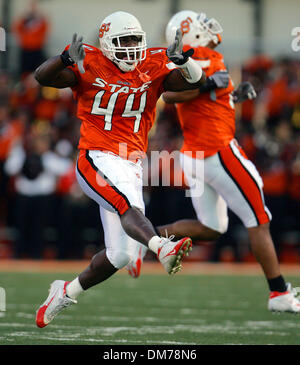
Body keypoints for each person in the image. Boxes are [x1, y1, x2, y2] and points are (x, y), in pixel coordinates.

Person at [34, 11, 206, 328]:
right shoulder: (90, 61)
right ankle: (160, 247)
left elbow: (198, 81)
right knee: (125, 207)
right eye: (123, 40)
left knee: (119, 256)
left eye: (135, 40)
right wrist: (62, 59)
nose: (130, 47)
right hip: (96, 156)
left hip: (131, 161)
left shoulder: (153, 63)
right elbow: (42, 77)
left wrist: (184, 61)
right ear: (107, 43)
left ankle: (63, 291)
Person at [127, 10, 300, 314]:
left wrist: (233, 97)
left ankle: (146, 240)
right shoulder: (201, 55)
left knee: (211, 227)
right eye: (201, 25)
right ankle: (279, 293)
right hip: (217, 151)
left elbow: (204, 102)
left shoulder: (198, 60)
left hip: (194, 155)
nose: (208, 28)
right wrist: (210, 84)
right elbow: (171, 95)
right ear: (191, 33)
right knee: (259, 221)